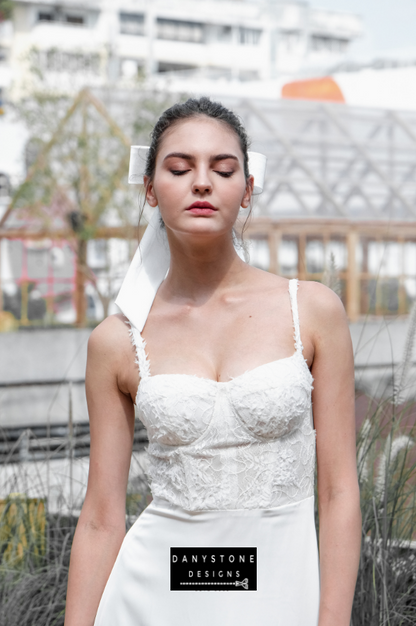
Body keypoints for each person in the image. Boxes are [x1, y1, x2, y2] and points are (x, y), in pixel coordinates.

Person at [64, 97, 361, 626]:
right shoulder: (116, 341)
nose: (202, 183)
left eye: (223, 169)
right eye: (179, 168)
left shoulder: (312, 311)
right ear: (151, 189)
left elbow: (339, 493)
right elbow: (101, 517)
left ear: (246, 190)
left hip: (281, 594)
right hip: (153, 596)